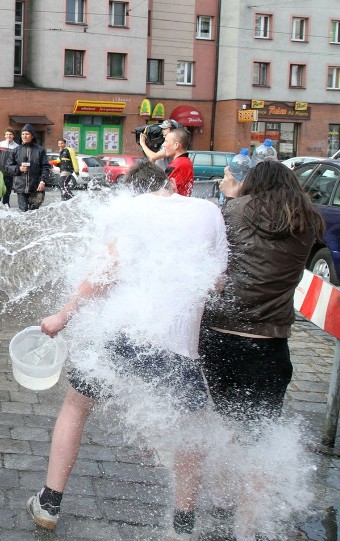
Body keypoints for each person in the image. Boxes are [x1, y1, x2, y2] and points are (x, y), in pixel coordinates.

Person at [26, 161, 227, 537]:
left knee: (76, 406)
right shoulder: (209, 211)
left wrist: (62, 315)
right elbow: (215, 283)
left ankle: (49, 503)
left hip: (121, 333)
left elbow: (107, 270)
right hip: (177, 344)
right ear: (167, 184)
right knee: (191, 428)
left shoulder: (126, 210)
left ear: (130, 191)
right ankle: (183, 525)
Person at [191, 161, 324, 536]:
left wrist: (231, 197)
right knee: (260, 435)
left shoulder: (231, 211)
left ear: (252, 185)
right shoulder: (308, 222)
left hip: (218, 335)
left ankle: (220, 497)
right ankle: (246, 528)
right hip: (269, 344)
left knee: (221, 418)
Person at [5, 124, 49, 212]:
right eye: (23, 134)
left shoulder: (40, 150)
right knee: (23, 212)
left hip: (36, 187)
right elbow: (8, 167)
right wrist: (19, 169)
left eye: (27, 134)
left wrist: (43, 181)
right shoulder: (16, 150)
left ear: (32, 136)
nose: (25, 136)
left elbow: (45, 167)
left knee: (33, 212)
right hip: (20, 186)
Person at [0, 127, 19, 206]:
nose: (8, 136)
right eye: (7, 134)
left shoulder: (17, 147)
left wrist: (14, 170)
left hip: (9, 173)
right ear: (4, 135)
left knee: (7, 191)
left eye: (10, 134)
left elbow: (17, 161)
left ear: (13, 136)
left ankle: (6, 206)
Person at [162, 127, 194, 197]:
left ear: (176, 145)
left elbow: (162, 189)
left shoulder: (177, 164)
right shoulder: (186, 162)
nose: (163, 144)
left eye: (166, 141)